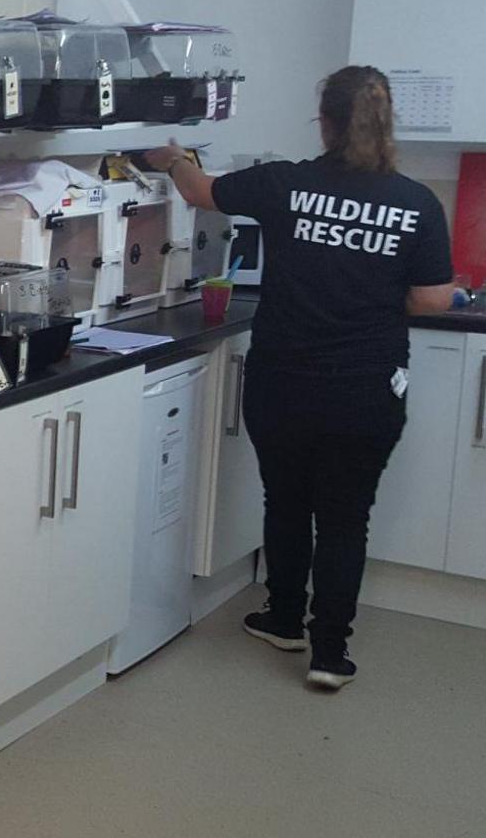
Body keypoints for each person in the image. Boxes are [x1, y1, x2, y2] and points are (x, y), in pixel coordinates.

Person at [145, 65, 455, 691]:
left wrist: (172, 158)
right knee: (345, 518)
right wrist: (368, 295)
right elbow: (434, 300)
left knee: (285, 500)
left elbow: (202, 192)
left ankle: (284, 617)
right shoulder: (416, 202)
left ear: (327, 122)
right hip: (366, 386)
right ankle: (330, 654)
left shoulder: (285, 183)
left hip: (283, 380)